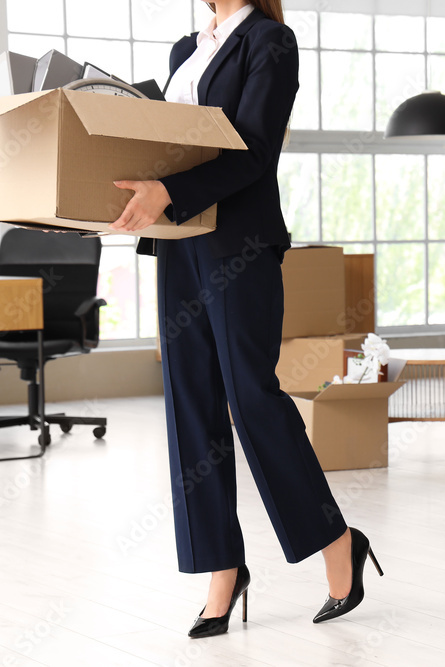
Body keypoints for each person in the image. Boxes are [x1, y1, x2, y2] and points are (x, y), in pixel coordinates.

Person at [107, 0, 382, 638]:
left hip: (240, 246)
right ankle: (222, 570)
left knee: (252, 397)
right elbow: (172, 146)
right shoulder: (186, 48)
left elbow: (254, 148)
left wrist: (169, 193)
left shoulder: (271, 42)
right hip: (179, 243)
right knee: (190, 402)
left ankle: (337, 540)